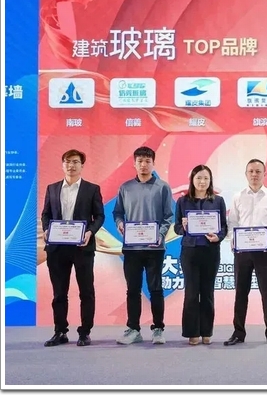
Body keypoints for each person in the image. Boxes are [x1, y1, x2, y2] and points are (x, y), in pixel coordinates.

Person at [40, 149, 105, 347]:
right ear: (62, 165)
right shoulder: (52, 188)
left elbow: (99, 216)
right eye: (68, 161)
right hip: (57, 248)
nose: (71, 165)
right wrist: (46, 229)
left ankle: (85, 332)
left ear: (82, 166)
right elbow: (46, 214)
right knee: (59, 293)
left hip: (82, 247)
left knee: (86, 291)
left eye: (76, 162)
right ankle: (60, 331)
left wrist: (90, 232)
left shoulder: (91, 189)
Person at [113, 146, 174, 345]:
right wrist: (120, 224)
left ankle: (158, 329)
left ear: (153, 163)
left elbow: (168, 216)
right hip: (131, 249)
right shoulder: (125, 187)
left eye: (147, 161)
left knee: (155, 289)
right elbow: (117, 212)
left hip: (155, 248)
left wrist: (160, 235)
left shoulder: (163, 187)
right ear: (134, 163)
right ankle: (133, 329)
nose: (143, 165)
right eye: (140, 161)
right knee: (132, 289)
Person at [225, 159, 267, 346]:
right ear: (246, 174)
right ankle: (238, 332)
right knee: (240, 292)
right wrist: (233, 239)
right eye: (251, 171)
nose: (254, 174)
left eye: (258, 171)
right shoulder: (237, 197)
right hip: (242, 251)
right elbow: (232, 223)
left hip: (265, 250)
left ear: (264, 174)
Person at [174, 165, 228, 345]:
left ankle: (206, 331)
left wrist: (218, 237)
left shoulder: (218, 201)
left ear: (210, 181)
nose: (202, 182)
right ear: (192, 180)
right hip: (190, 252)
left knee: (207, 292)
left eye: (206, 178)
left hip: (210, 251)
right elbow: (177, 227)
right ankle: (192, 332)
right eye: (198, 178)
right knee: (191, 293)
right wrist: (184, 227)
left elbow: (224, 227)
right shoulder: (182, 201)